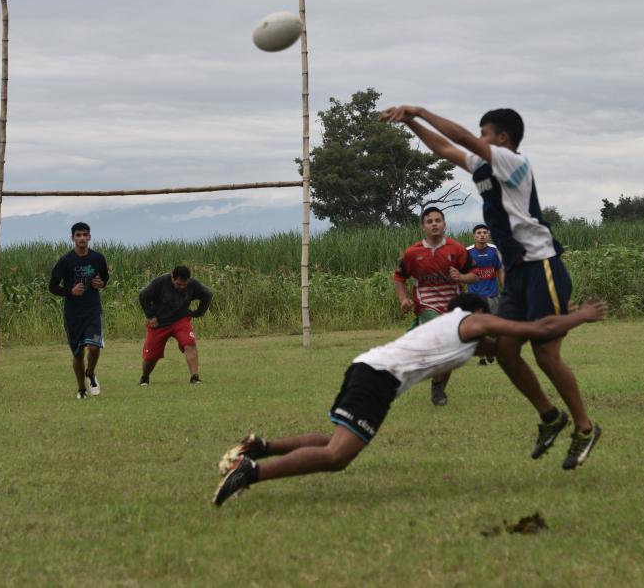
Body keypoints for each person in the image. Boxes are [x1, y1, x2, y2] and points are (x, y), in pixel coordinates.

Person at [213, 295, 607, 506]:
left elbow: (505, 349)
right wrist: (580, 316)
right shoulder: (474, 321)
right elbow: (535, 329)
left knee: (334, 442)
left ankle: (261, 447)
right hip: (378, 379)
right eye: (493, 318)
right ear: (480, 312)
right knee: (338, 457)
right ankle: (250, 472)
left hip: (369, 369)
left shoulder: (454, 326)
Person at [380, 105, 602, 469]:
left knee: (546, 355)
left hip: (541, 265)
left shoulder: (514, 163)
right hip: (516, 272)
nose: (478, 139)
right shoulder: (484, 168)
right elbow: (445, 148)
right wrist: (410, 123)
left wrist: (419, 110)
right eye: (480, 134)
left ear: (503, 139)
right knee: (505, 352)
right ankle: (550, 417)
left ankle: (584, 427)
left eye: (485, 134)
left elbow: (461, 139)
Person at [394, 206, 477, 406]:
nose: (434, 224)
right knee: (441, 344)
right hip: (427, 306)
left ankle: (438, 386)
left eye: (438, 220)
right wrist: (404, 299)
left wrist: (462, 276)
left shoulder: (456, 249)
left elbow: (474, 275)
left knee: (451, 349)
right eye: (429, 221)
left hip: (454, 307)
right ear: (423, 226)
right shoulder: (413, 253)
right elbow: (399, 277)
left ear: (444, 224)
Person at [48, 222, 109, 400]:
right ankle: (81, 389)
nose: (82, 238)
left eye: (85, 235)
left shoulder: (97, 258)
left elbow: (104, 277)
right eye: (78, 235)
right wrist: (70, 291)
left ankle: (91, 373)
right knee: (78, 352)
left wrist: (101, 284)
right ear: (73, 238)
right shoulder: (66, 261)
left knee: (94, 346)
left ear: (89, 237)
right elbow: (52, 287)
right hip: (73, 313)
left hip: (93, 310)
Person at [138, 265, 213, 385]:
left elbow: (208, 294)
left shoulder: (193, 284)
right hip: (159, 323)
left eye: (185, 284)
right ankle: (145, 377)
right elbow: (143, 296)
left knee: (190, 343)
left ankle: (195, 377)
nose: (182, 287)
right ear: (172, 278)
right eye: (179, 284)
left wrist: (199, 312)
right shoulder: (160, 282)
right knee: (151, 356)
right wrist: (151, 316)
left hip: (181, 320)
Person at [466, 223, 504, 365]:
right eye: (479, 233)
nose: (482, 235)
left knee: (493, 328)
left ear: (487, 235)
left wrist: (505, 288)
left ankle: (490, 351)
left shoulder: (494, 251)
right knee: (478, 327)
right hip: (475, 296)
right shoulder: (467, 252)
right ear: (474, 235)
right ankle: (482, 357)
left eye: (484, 232)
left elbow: (499, 270)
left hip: (492, 295)